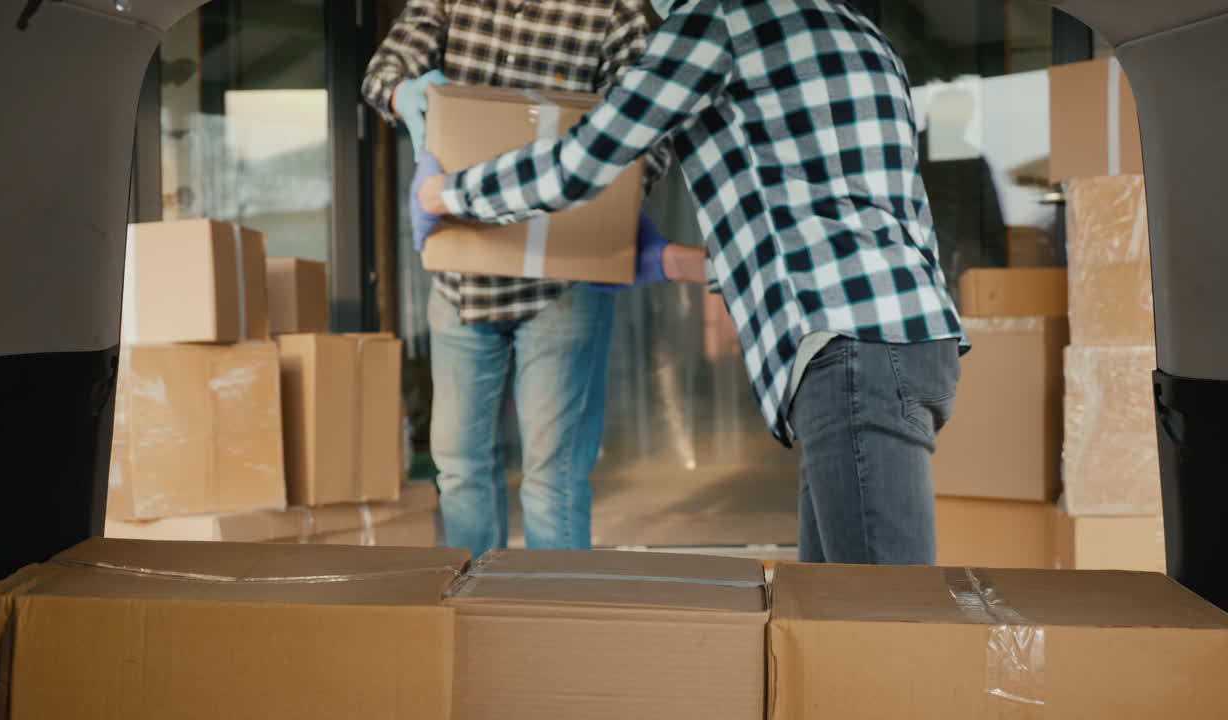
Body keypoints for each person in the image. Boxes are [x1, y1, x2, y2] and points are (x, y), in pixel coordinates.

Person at [411, 0, 968, 565]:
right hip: (910, 341)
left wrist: (450, 195)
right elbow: (841, 230)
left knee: (880, 620)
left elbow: (582, 161)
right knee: (832, 612)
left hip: (851, 359)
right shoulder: (861, 34)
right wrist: (669, 261)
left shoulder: (719, 21)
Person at [362, 0, 670, 558]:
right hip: (461, 277)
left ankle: (555, 626)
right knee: (459, 469)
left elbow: (653, 131)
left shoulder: (613, 15)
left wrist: (614, 209)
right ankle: (478, 615)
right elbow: (385, 73)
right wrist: (402, 95)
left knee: (553, 479)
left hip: (562, 287)